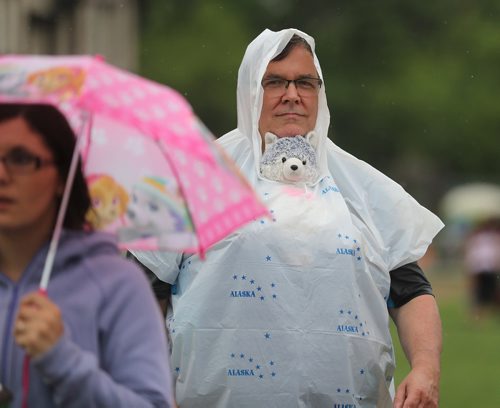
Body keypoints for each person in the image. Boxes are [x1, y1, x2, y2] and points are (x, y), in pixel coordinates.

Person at [134, 28, 444, 407]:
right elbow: (143, 292)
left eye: (305, 83)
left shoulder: (361, 185)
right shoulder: (192, 176)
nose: (292, 95)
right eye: (275, 81)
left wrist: (426, 368)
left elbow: (411, 291)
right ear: (250, 89)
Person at [0, 103, 175, 408]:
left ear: (61, 178)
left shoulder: (117, 285)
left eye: (21, 159)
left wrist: (61, 361)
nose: (1, 175)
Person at [463, 217, 500, 317]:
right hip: (479, 268)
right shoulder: (478, 238)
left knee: (490, 291)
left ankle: (486, 312)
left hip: (489, 268)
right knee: (479, 292)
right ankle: (478, 313)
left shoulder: (493, 237)